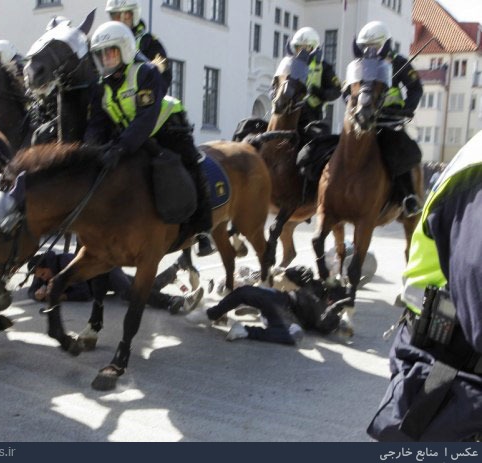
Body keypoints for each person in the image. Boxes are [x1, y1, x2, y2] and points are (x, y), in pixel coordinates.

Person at [367, 130, 482, 441]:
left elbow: (411, 90)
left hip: (460, 364)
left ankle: (405, 196)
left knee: (399, 153)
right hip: (447, 361)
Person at [85, 21, 213, 247]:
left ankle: (203, 229)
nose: (106, 59)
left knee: (190, 164)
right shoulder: (99, 86)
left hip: (166, 127)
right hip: (129, 134)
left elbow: (146, 118)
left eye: (111, 53)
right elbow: (96, 122)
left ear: (124, 50)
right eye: (101, 55)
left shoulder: (145, 72)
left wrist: (121, 147)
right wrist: (92, 150)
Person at [355, 20, 423, 217]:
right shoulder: (361, 66)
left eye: (374, 45)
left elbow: (415, 88)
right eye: (366, 46)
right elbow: (348, 87)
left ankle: (408, 196)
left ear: (384, 44)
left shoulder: (399, 62)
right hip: (363, 118)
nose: (370, 49)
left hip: (389, 119)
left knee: (397, 153)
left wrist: (407, 110)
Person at [186, 265, 351, 344]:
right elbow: (293, 273)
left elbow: (341, 328)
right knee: (245, 291)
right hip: (280, 300)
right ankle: (211, 314)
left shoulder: (327, 313)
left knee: (296, 334)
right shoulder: (314, 287)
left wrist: (341, 324)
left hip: (285, 315)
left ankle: (244, 331)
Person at [28, 250, 204, 315]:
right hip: (100, 282)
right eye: (40, 277)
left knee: (129, 292)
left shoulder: (65, 263)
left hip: (106, 269)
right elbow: (33, 289)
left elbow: (85, 294)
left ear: (48, 265)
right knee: (148, 286)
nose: (42, 278)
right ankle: (177, 266)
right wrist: (37, 294)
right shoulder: (46, 273)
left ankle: (172, 302)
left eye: (43, 274)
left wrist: (62, 295)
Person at [285, 27, 341, 137]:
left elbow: (337, 90)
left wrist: (318, 92)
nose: (301, 51)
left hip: (312, 116)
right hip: (288, 113)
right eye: (298, 48)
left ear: (314, 48)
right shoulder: (289, 64)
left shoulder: (324, 67)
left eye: (305, 48)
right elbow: (277, 83)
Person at [105, 0, 172, 88]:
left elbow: (163, 77)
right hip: (111, 99)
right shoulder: (105, 44)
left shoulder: (149, 42)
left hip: (140, 98)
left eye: (125, 15)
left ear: (134, 15)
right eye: (114, 16)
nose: (119, 20)